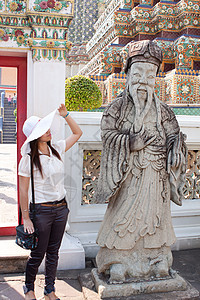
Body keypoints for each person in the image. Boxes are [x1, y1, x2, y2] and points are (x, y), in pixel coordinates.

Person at [95, 40, 187, 282]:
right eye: (137, 74)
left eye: (150, 75)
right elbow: (107, 134)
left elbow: (175, 136)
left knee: (157, 219)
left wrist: (176, 147)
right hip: (129, 175)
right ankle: (118, 261)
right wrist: (130, 143)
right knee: (124, 217)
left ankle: (157, 259)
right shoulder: (116, 109)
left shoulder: (165, 112)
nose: (143, 80)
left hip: (156, 176)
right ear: (127, 75)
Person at [18, 104, 82, 300]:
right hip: (42, 212)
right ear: (35, 136)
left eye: (47, 127)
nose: (48, 131)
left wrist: (66, 115)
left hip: (61, 209)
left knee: (54, 252)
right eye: (43, 130)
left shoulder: (57, 148)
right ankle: (29, 288)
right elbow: (23, 189)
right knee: (38, 253)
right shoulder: (28, 159)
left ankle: (49, 290)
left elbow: (77, 133)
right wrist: (26, 218)